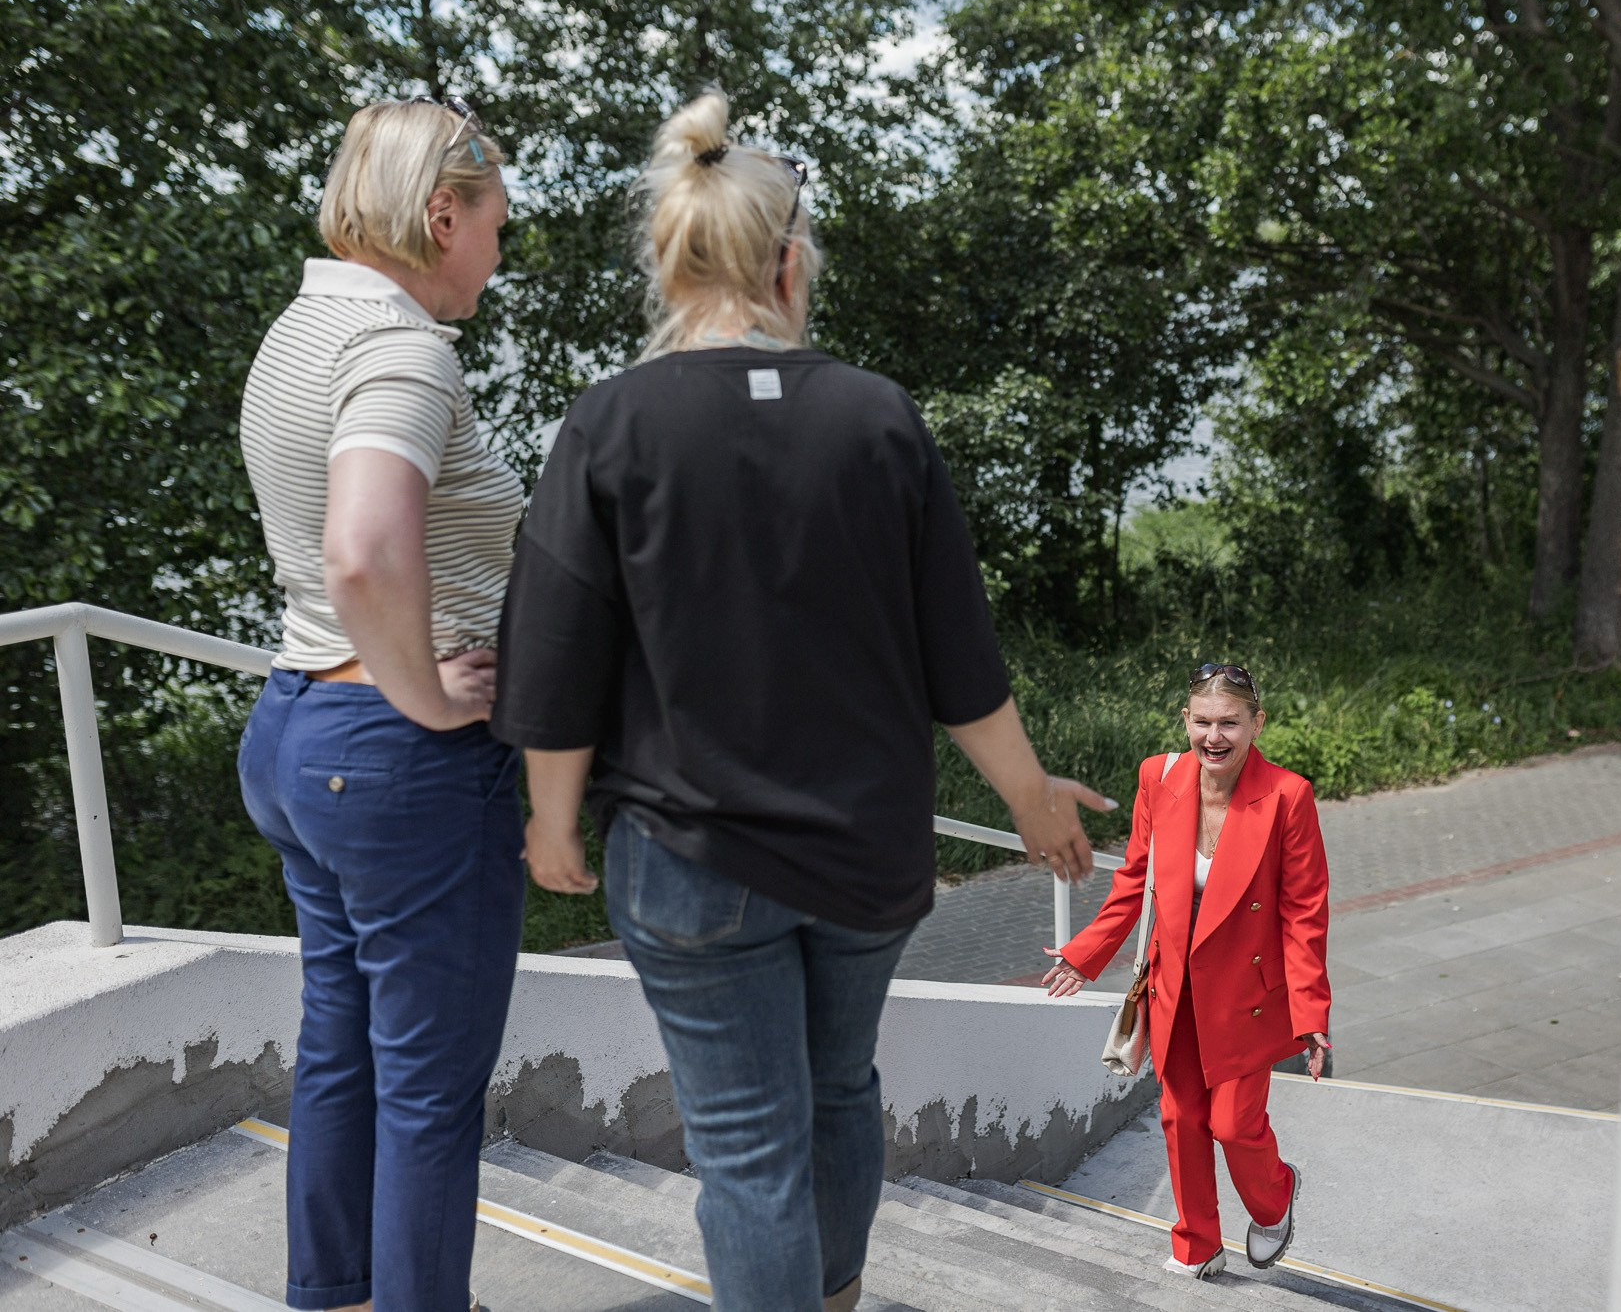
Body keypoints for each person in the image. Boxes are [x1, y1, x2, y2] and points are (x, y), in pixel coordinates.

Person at [486, 91, 1110, 1312]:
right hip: (867, 858)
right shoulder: (878, 417)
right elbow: (959, 658)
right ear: (786, 261)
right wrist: (1031, 801)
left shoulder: (607, 424)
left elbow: (555, 649)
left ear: (669, 265)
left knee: (746, 1150)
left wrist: (551, 820)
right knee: (838, 1094)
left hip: (690, 855)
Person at [235, 97, 520, 1311]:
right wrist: (431, 698)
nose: (499, 255)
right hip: (391, 756)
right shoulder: (404, 348)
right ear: (439, 214)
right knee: (428, 1090)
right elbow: (360, 549)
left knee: (340, 1050)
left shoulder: (300, 328)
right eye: (495, 228)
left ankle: (337, 1294)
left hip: (297, 730)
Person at [1041, 663, 1331, 1280]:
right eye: (1203, 722)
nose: (1215, 737)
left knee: (1232, 1123)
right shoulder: (1160, 777)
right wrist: (1086, 954)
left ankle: (1274, 1198)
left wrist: (1309, 1016)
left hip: (1248, 996)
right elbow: (1133, 881)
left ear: (1257, 723)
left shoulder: (1288, 796)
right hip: (1175, 985)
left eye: (1230, 722)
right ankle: (1197, 1244)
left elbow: (1304, 915)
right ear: (1185, 720)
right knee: (1181, 1118)